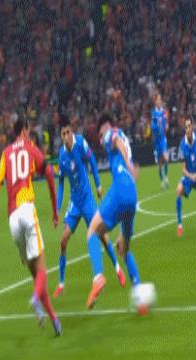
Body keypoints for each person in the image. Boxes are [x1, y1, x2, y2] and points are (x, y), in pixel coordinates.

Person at [0, 117, 62, 336]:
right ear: (23, 131)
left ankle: (53, 319)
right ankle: (35, 300)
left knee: (36, 276)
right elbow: (49, 173)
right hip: (27, 210)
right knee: (42, 269)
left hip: (13, 219)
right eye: (28, 131)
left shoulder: (5, 154)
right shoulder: (30, 147)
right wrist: (54, 210)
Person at [53, 114, 125, 298]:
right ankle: (61, 283)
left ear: (72, 132)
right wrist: (57, 209)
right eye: (63, 134)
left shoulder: (80, 143)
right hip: (74, 202)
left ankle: (117, 268)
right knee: (63, 241)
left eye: (68, 132)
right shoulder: (61, 156)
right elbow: (60, 184)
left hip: (87, 200)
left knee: (102, 236)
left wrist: (98, 184)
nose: (66, 136)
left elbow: (92, 161)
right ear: (61, 136)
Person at [85, 114, 142, 309]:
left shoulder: (112, 133)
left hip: (120, 189)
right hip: (132, 195)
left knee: (92, 231)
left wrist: (129, 164)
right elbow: (121, 144)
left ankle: (98, 277)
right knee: (123, 248)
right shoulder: (124, 135)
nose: (101, 140)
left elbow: (115, 141)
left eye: (101, 135)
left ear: (105, 128)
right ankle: (140, 297)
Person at [151, 93, 170, 189]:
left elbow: (166, 123)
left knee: (166, 159)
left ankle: (166, 177)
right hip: (157, 140)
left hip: (163, 139)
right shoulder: (154, 113)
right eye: (157, 99)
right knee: (160, 163)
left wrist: (166, 125)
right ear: (155, 102)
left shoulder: (164, 112)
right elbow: (153, 127)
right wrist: (156, 127)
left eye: (160, 99)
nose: (159, 101)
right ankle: (162, 181)